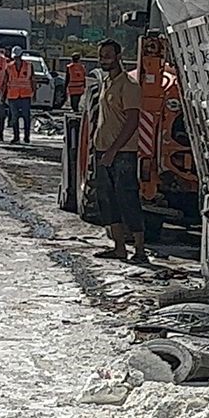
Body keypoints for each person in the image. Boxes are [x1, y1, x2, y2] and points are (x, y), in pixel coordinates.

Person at [90, 38, 149, 265]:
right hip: (103, 151)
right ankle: (119, 248)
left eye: (107, 55)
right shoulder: (106, 83)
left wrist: (113, 151)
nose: (103, 59)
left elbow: (133, 121)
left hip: (122, 153)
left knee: (128, 199)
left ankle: (140, 250)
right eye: (101, 55)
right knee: (107, 200)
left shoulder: (129, 86)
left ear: (118, 57)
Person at [3, 46, 36, 144]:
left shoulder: (29, 66)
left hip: (25, 95)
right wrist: (2, 95)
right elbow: (5, 81)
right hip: (13, 95)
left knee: (26, 116)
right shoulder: (9, 67)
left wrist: (34, 93)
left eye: (18, 57)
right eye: (15, 58)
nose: (16, 59)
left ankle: (26, 137)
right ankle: (16, 136)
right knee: (14, 117)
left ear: (21, 56)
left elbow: (33, 80)